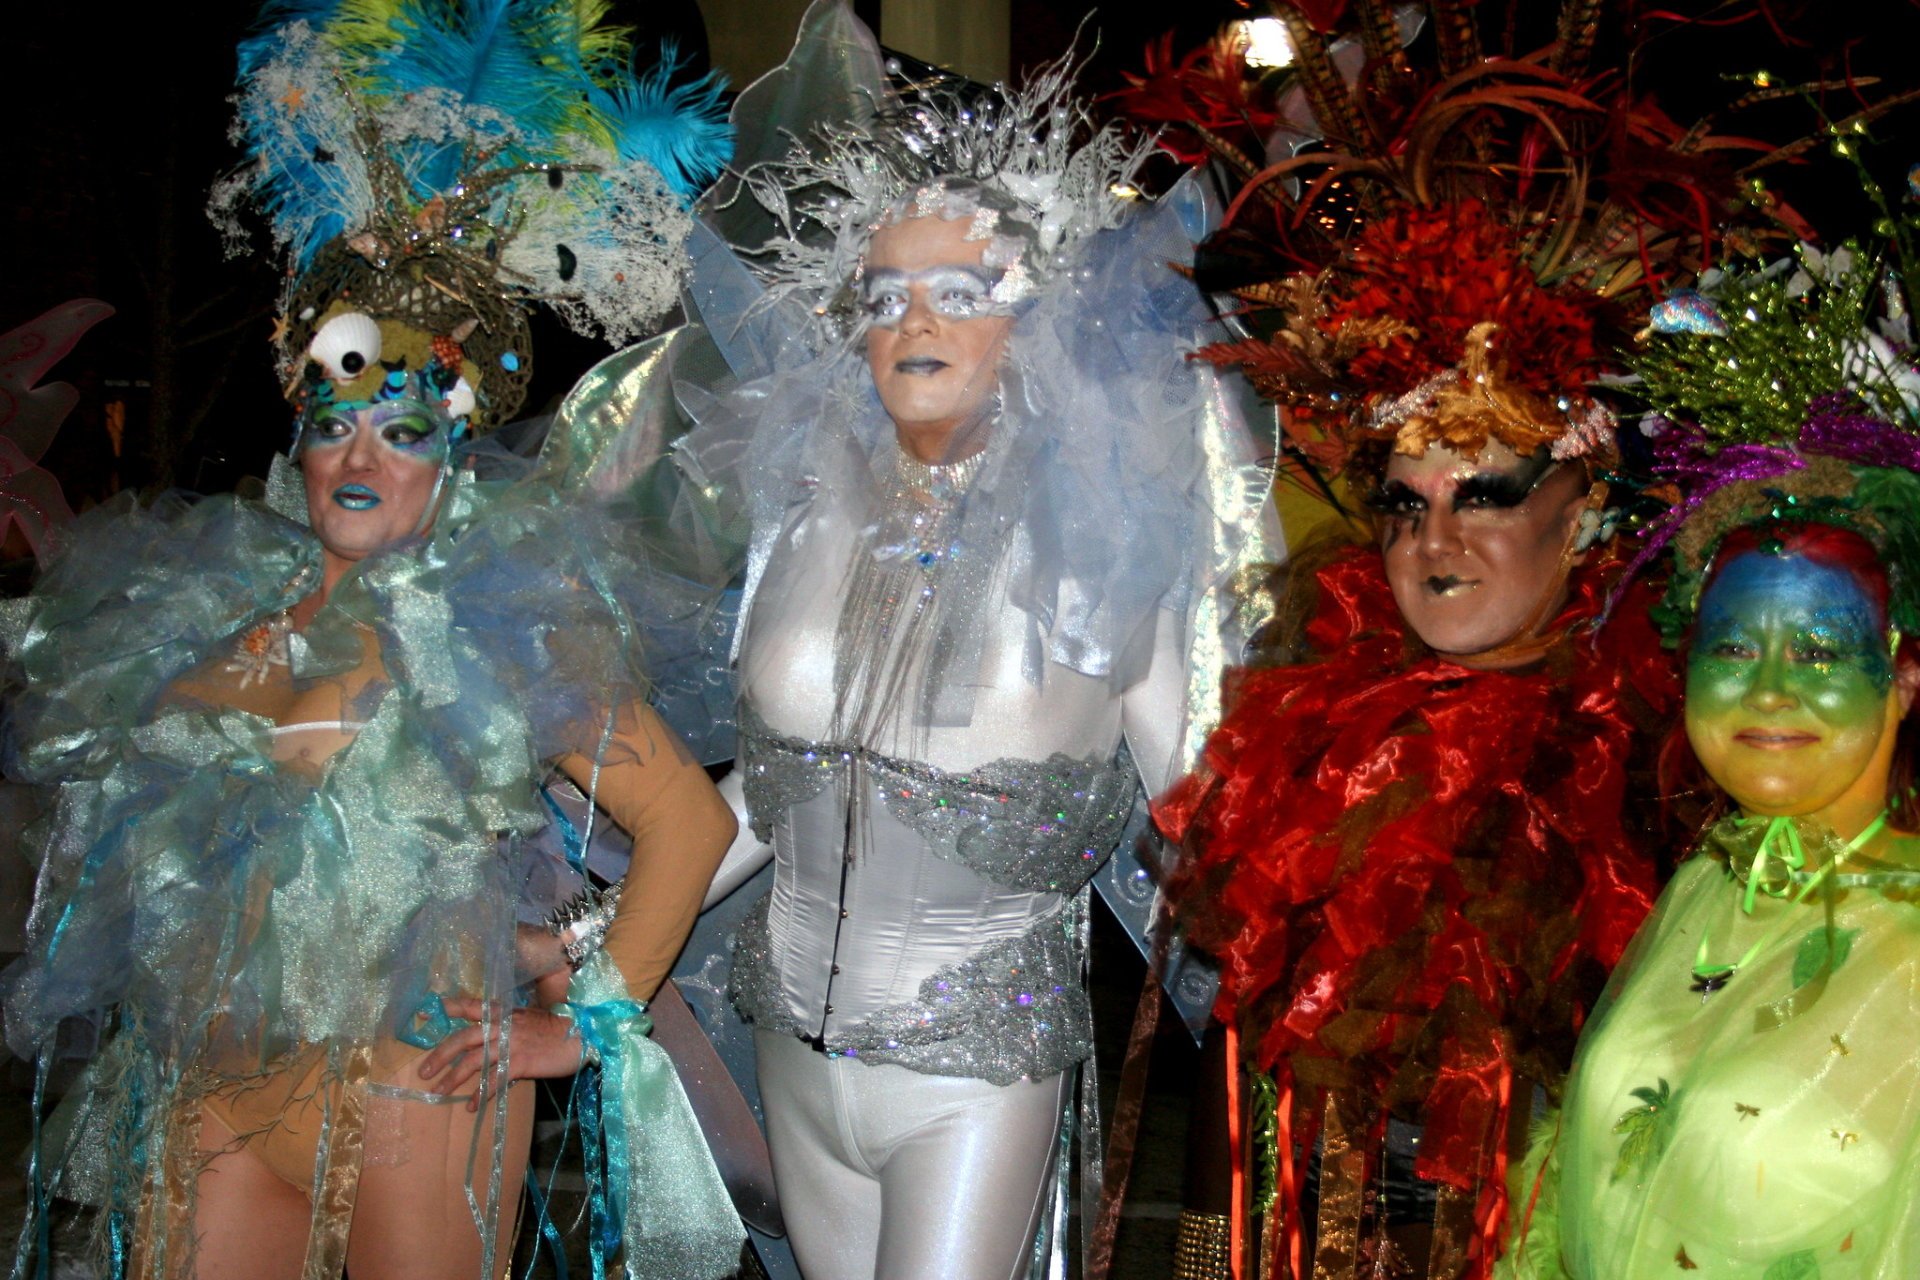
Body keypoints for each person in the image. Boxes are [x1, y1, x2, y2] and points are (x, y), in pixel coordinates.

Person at [0, 4, 743, 1277]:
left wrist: (580, 1021)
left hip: (420, 1081)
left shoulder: (504, 627)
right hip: (218, 1088)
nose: (359, 455)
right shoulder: (217, 609)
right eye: (334, 420)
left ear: (453, 450)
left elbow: (692, 821)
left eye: (401, 429)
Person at [1116, 7, 1795, 1271]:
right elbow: (1238, 1122)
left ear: (1584, 509)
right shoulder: (1312, 746)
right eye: (1408, 501)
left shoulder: (1662, 772)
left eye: (1484, 494)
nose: (1439, 540)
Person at [615, 4, 1272, 1275]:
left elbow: (1210, 813)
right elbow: (776, 790)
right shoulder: (808, 521)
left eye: (962, 292)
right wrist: (600, 939)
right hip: (788, 1047)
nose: (915, 321)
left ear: (1040, 320)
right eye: (885, 294)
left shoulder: (1112, 550)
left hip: (974, 1075)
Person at [1500, 238, 1920, 1280]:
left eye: (1821, 648)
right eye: (1733, 645)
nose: (1769, 687)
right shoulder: (1712, 877)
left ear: (1902, 674)